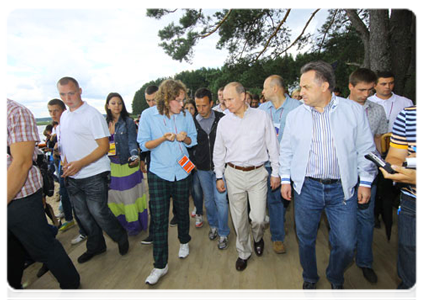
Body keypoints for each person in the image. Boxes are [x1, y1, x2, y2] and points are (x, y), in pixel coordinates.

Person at [279, 61, 376, 300]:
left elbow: (366, 148)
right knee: (306, 239)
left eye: (305, 87)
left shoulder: (352, 111)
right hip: (307, 187)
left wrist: (365, 181)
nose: (301, 92)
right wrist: (284, 179)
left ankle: (335, 276)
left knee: (345, 244)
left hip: (342, 189)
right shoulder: (295, 116)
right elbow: (286, 150)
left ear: (324, 86)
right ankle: (310, 277)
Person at [5, 98, 80, 300]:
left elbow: (21, 163)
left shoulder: (13, 113)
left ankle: (70, 282)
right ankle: (12, 289)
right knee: (9, 249)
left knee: (42, 246)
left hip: (21, 197)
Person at [57, 77, 129, 264]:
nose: (68, 98)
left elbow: (104, 146)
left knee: (99, 212)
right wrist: (65, 163)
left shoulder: (92, 115)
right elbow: (66, 144)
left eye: (71, 93)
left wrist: (80, 163)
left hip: (94, 173)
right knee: (82, 214)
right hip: (72, 175)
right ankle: (96, 246)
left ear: (80, 91)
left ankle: (120, 236)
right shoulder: (64, 116)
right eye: (63, 94)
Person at [213, 82, 280, 271]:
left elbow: (273, 146)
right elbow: (219, 151)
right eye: (224, 100)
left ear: (243, 97)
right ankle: (243, 251)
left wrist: (276, 172)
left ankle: (258, 237)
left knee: (258, 218)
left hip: (258, 174)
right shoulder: (224, 122)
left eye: (230, 99)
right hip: (233, 174)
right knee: (239, 218)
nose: (226, 104)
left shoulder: (262, 117)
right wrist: (219, 176)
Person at [137, 79, 197, 285]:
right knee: (160, 217)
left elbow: (193, 140)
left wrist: (185, 138)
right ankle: (160, 265)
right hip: (158, 172)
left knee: (181, 209)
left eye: (183, 100)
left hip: (182, 170)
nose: (182, 104)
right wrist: (163, 138)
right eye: (178, 100)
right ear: (166, 98)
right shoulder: (148, 115)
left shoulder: (185, 115)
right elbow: (143, 145)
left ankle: (184, 240)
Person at [347, 68, 389, 284]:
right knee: (343, 222)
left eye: (370, 90)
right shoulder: (337, 110)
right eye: (361, 90)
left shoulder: (378, 110)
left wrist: (381, 163)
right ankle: (343, 259)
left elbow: (379, 138)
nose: (365, 94)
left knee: (366, 219)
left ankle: (364, 262)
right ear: (350, 87)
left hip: (368, 174)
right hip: (342, 175)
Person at [381, 105, 420, 300]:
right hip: (412, 203)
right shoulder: (409, 114)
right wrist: (399, 165)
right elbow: (395, 154)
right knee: (411, 277)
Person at [260, 75, 300, 254]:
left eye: (265, 88)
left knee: (290, 200)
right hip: (269, 164)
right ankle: (277, 237)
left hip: (292, 164)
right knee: (274, 200)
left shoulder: (298, 108)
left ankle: (284, 222)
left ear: (275, 89)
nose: (262, 92)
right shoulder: (261, 110)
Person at [105, 92, 148, 236]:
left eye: (119, 103)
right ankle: (121, 226)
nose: (117, 106)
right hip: (111, 166)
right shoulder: (104, 124)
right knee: (115, 198)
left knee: (130, 198)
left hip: (128, 165)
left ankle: (135, 226)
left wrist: (135, 156)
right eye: (113, 103)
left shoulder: (128, 122)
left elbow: (132, 142)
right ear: (107, 106)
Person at [193, 88, 230, 250]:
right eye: (197, 106)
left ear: (211, 103)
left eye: (204, 106)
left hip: (220, 168)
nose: (201, 110)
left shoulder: (223, 119)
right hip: (202, 169)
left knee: (221, 200)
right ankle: (213, 226)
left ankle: (223, 233)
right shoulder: (193, 122)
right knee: (208, 201)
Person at [47, 99, 87, 244]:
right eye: (50, 111)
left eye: (55, 110)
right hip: (65, 168)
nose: (53, 114)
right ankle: (82, 229)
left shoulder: (71, 125)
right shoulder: (57, 128)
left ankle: (86, 230)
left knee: (83, 203)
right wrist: (57, 152)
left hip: (78, 168)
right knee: (69, 198)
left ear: (63, 110)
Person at [184, 99, 205, 228]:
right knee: (191, 188)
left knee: (197, 188)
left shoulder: (199, 123)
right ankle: (197, 206)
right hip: (185, 161)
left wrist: (197, 162)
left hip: (197, 161)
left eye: (191, 108)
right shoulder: (180, 123)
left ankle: (199, 212)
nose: (188, 111)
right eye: (186, 108)